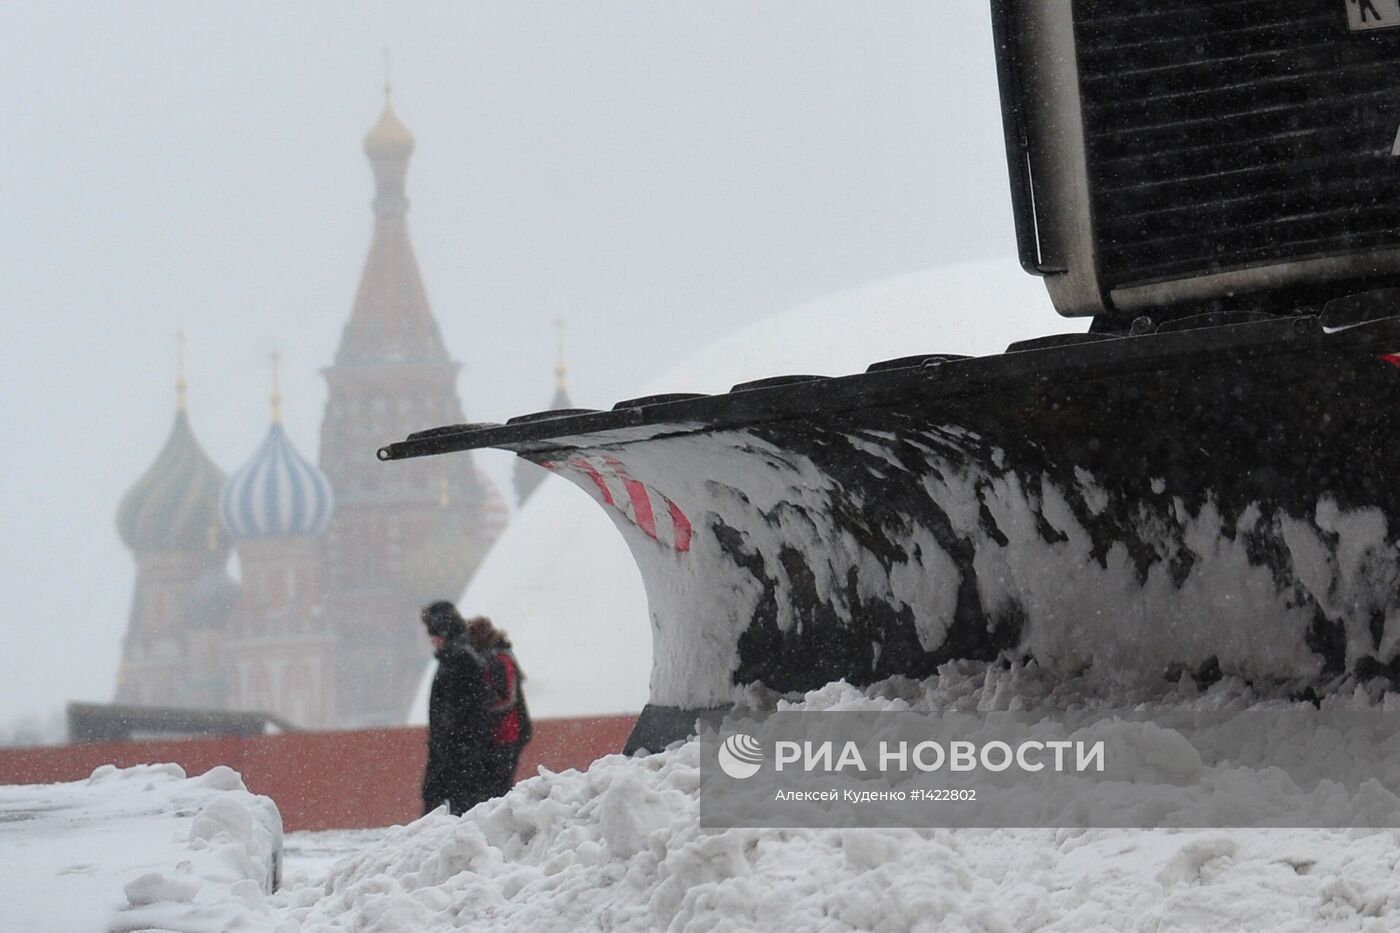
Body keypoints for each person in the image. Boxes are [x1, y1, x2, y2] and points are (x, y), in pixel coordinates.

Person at [420, 601, 495, 816]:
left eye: (434, 634)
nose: (432, 641)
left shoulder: (459, 659)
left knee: (453, 803)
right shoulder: (458, 657)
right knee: (450, 800)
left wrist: (446, 743)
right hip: (457, 748)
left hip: (457, 749)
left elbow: (458, 710)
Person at [466, 616, 533, 798]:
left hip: (505, 734)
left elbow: (507, 699)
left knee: (497, 788)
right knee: (495, 787)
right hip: (502, 733)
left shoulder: (499, 659)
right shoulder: (494, 656)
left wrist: (482, 714)